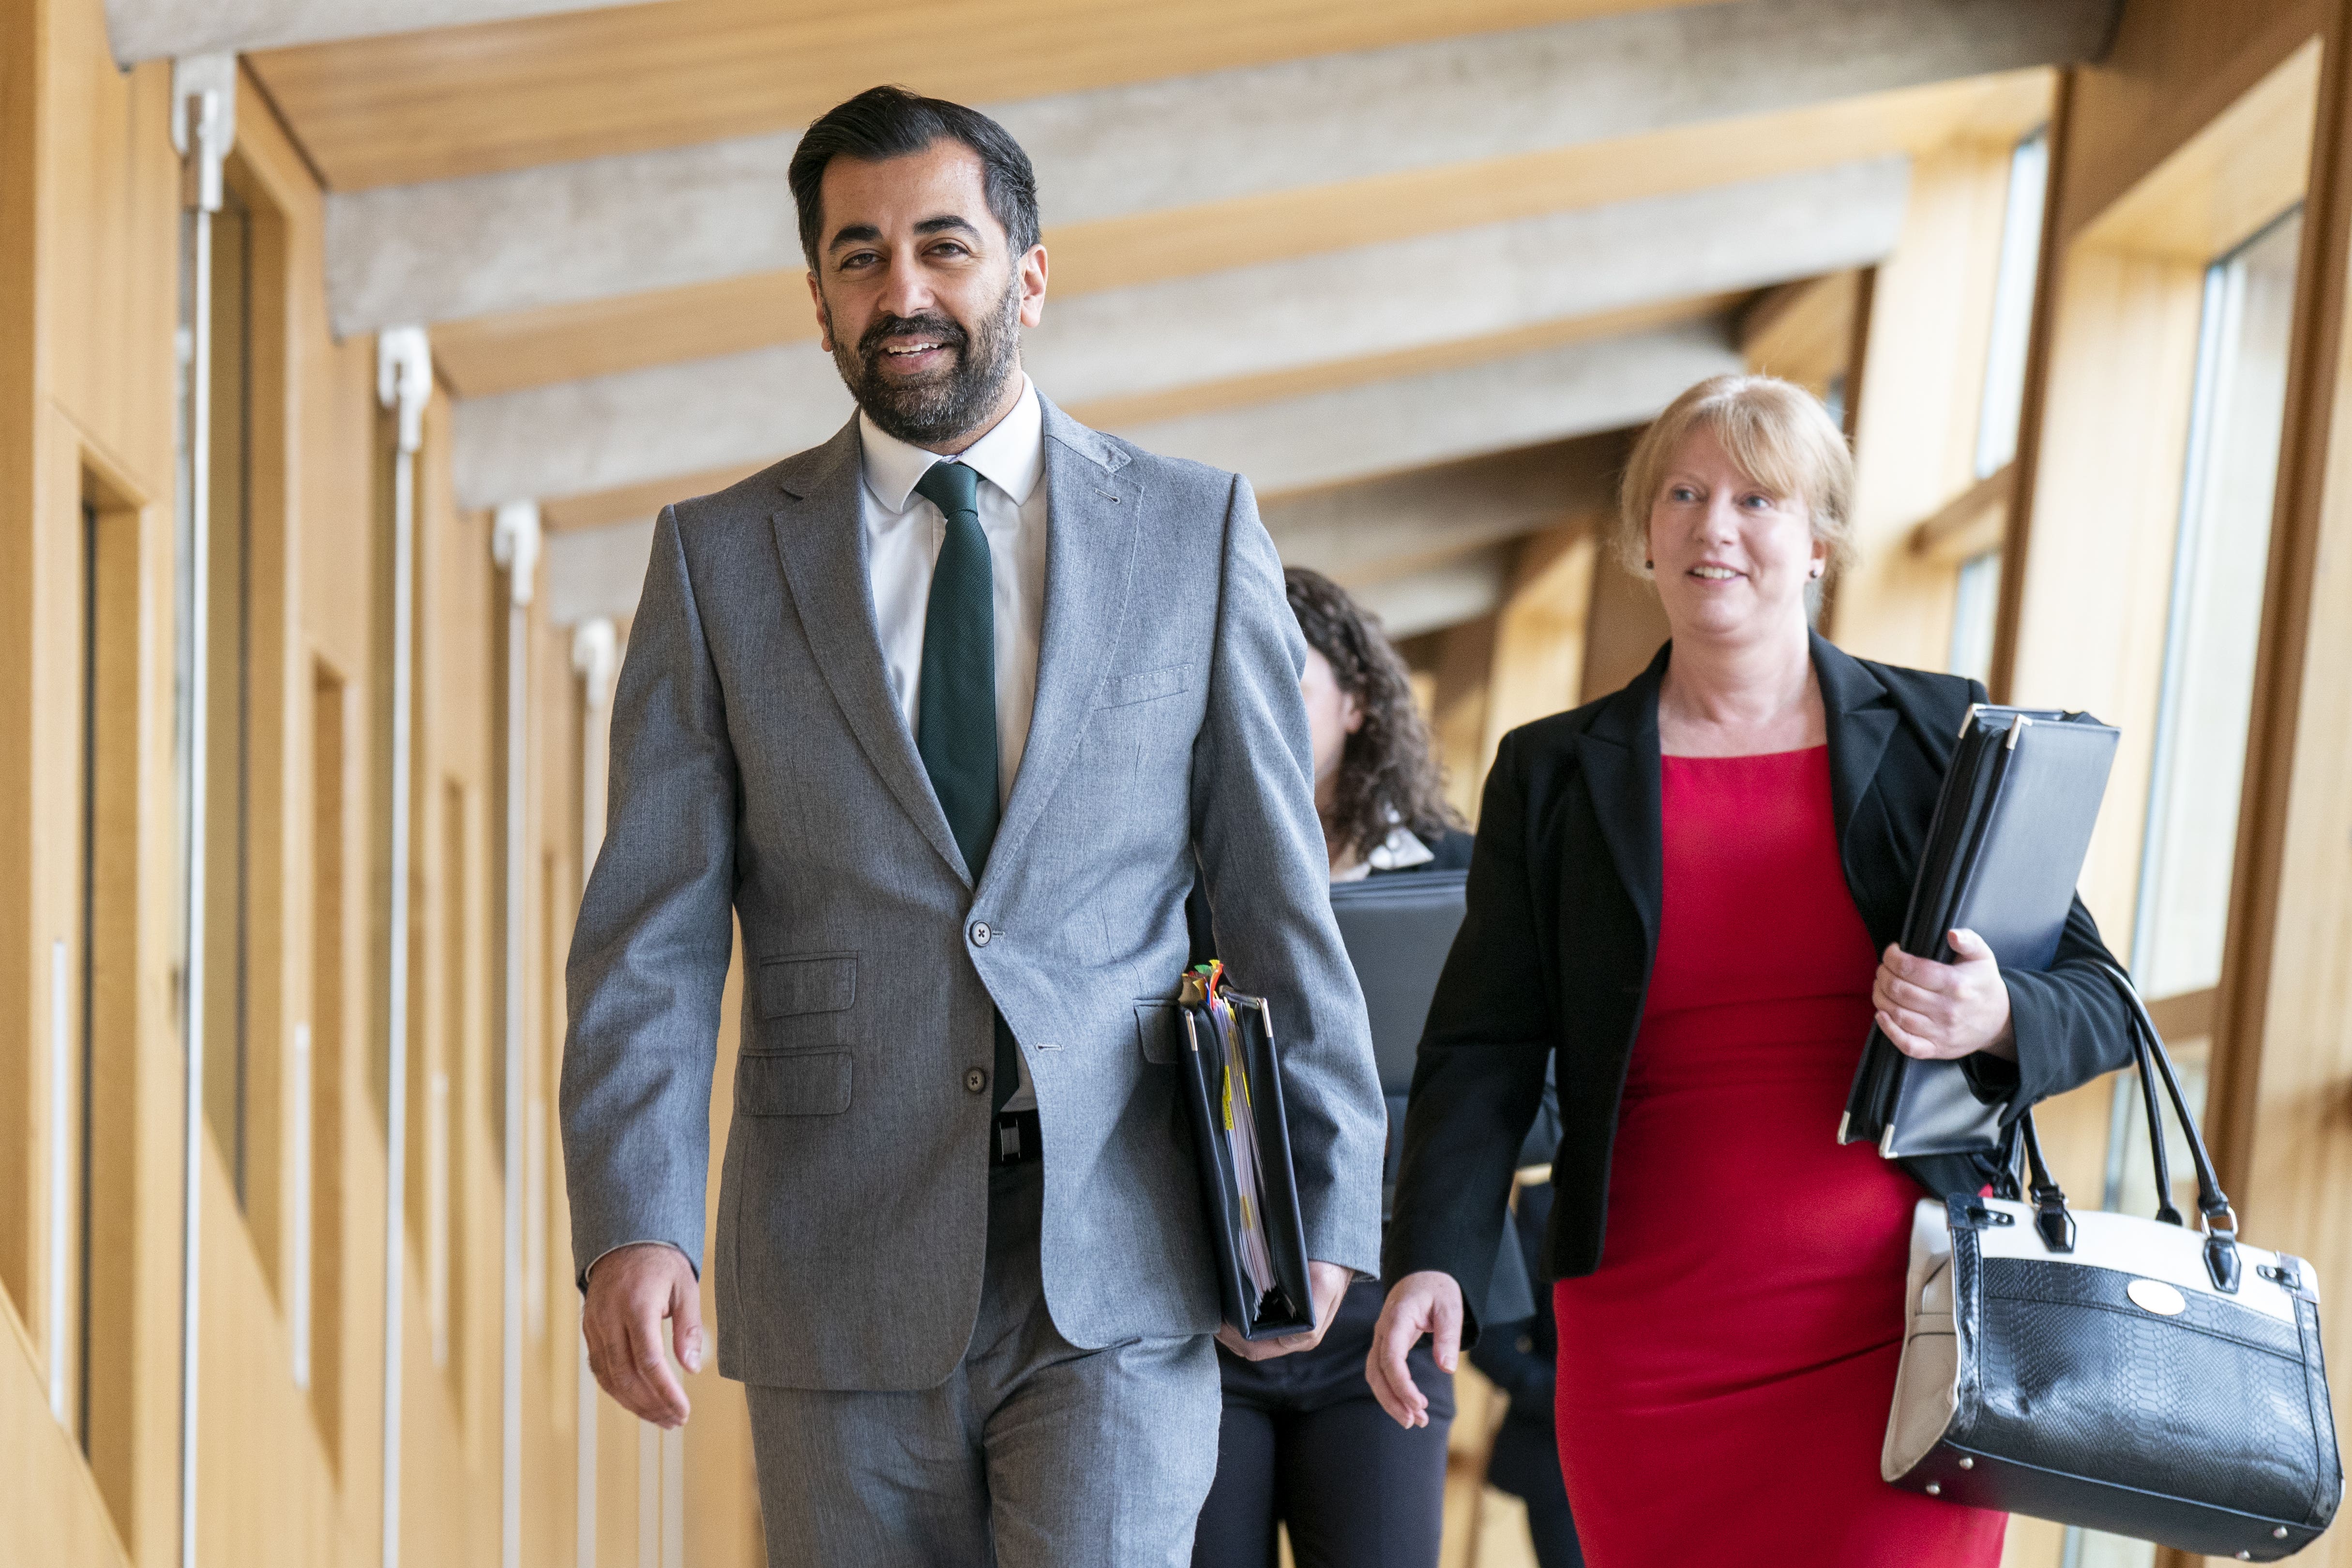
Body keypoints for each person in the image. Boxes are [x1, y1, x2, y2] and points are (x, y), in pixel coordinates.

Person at [561, 86, 1385, 1568]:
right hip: (837, 1251)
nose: (905, 291)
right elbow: (652, 934)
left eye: (945, 246)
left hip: (1126, 1245)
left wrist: (1323, 1200)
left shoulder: (1193, 531)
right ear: (817, 297)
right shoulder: (716, 560)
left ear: (1030, 274)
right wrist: (635, 1220)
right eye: (859, 256)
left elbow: (1273, 892)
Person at [1367, 374, 2137, 1567]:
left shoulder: (1940, 735)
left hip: (1903, 1325)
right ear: (1645, 531)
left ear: (1819, 538)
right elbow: (1483, 1045)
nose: (1711, 524)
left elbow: (2101, 998)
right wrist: (1433, 1253)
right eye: (1682, 492)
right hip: (1647, 1336)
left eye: (1755, 497)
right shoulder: (1556, 772)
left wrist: (1993, 1010)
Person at [1189, 567, 1469, 1568]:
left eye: (1293, 683)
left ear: (1357, 703)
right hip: (1208, 1311)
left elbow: (1515, 1098)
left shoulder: (1458, 882)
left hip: (1385, 1306)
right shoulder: (1161, 884)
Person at [1466, 1182, 1583, 1568]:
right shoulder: (1546, 1204)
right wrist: (1573, 1402)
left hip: (1679, 1462)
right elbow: (1492, 1346)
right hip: (1558, 1463)